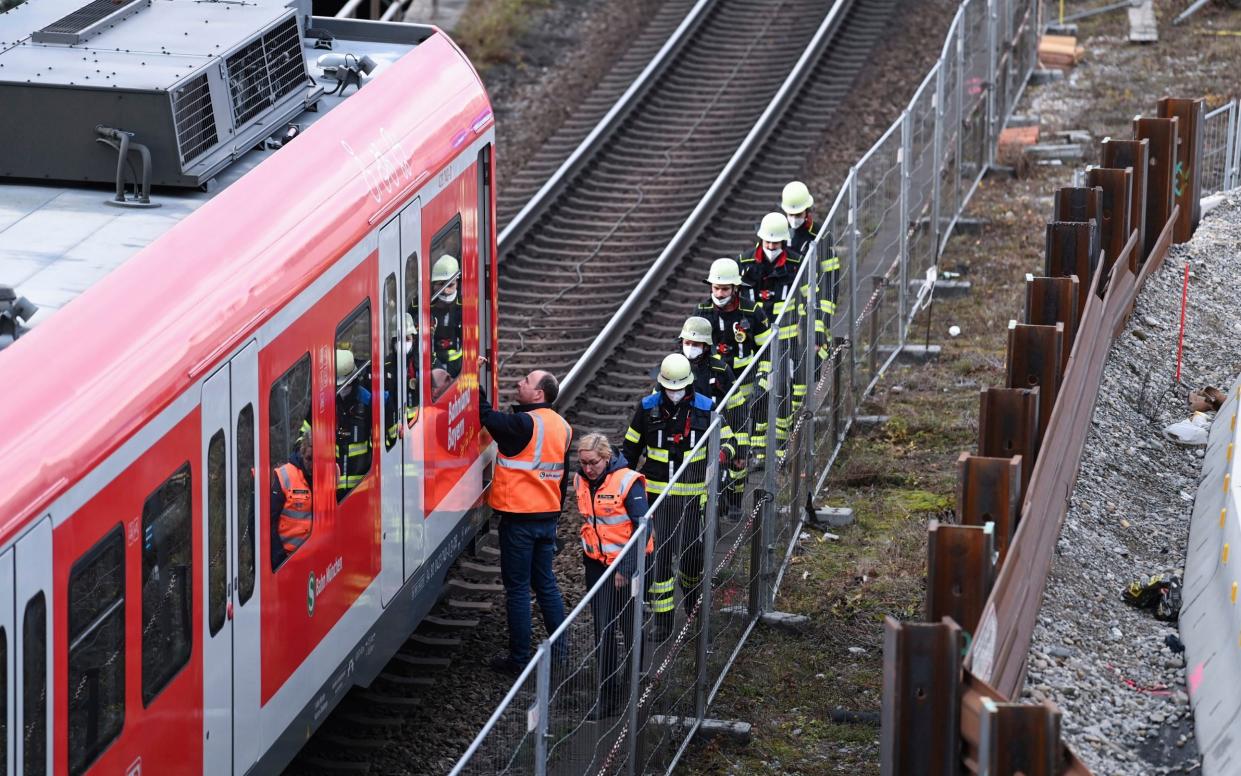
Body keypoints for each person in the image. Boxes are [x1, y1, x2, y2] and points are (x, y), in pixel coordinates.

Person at [622, 354, 736, 641]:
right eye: (668, 387)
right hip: (656, 499)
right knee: (659, 561)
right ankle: (663, 622)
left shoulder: (705, 408)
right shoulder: (647, 409)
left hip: (691, 499)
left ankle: (694, 604)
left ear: (689, 385)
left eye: (679, 387)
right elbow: (630, 450)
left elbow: (729, 440)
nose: (673, 393)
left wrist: (723, 456)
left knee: (692, 559)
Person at [480, 370, 573, 676]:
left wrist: (472, 380)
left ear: (538, 394)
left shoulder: (524, 423)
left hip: (519, 521)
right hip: (546, 519)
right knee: (546, 585)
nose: (519, 382)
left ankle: (519, 659)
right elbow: (562, 477)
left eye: (526, 381)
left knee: (518, 590)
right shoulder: (563, 426)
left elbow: (486, 415)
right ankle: (561, 654)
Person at [574, 433, 652, 720]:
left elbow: (643, 527)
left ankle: (633, 687)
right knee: (603, 630)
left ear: (606, 458)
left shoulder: (627, 481)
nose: (588, 468)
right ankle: (606, 697)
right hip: (597, 565)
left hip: (628, 565)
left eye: (593, 463)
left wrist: (625, 568)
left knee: (630, 626)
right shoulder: (580, 479)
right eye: (583, 463)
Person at [693, 258, 768, 496]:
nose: (719, 293)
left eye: (724, 288)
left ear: (735, 288)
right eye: (715, 288)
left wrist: (762, 380)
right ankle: (718, 497)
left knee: (739, 449)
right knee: (713, 447)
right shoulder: (702, 312)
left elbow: (766, 351)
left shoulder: (752, 312)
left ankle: (735, 499)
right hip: (714, 391)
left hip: (742, 393)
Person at [781, 181, 837, 370]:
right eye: (790, 214)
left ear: (807, 211)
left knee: (812, 358)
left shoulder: (820, 235)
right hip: (784, 304)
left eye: (798, 215)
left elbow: (831, 278)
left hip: (812, 303)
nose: (793, 219)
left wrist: (823, 320)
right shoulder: (777, 233)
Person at [271, 427, 314, 570]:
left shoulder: (327, 473)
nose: (312, 464)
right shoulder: (284, 476)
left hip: (312, 557)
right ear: (301, 453)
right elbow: (269, 522)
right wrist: (280, 560)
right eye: (309, 458)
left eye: (316, 459)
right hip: (287, 558)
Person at [335, 348, 372, 498]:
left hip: (362, 486)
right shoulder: (325, 404)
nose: (341, 390)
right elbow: (307, 431)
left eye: (345, 386)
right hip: (333, 490)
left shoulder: (367, 401)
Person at [679, 316, 733, 406]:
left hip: (711, 418)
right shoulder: (672, 365)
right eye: (687, 343)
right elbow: (657, 399)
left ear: (706, 346)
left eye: (696, 344)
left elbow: (736, 405)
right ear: (682, 342)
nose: (690, 348)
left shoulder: (721, 369)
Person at [430, 254, 463, 380]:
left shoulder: (465, 306)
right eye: (440, 285)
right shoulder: (421, 306)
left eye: (450, 285)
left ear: (457, 283)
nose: (445, 291)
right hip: (432, 368)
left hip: (458, 368)